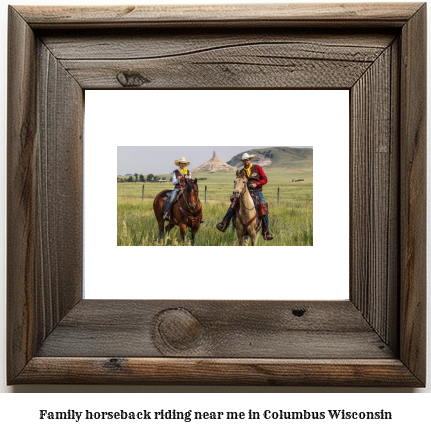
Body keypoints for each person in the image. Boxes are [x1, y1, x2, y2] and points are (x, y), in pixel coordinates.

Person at [216, 153, 274, 240]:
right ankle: (224, 223)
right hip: (244, 193)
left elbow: (265, 179)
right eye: (244, 160)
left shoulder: (257, 168)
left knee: (263, 207)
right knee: (233, 205)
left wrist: (257, 184)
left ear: (250, 160)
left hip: (257, 191)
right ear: (242, 161)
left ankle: (266, 231)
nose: (246, 161)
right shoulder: (241, 171)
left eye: (247, 159)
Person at [163, 156, 192, 220]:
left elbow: (190, 181)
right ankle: (166, 213)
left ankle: (197, 215)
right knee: (171, 198)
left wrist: (191, 180)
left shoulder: (188, 172)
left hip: (186, 189)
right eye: (181, 163)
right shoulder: (176, 172)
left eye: (184, 163)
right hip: (178, 188)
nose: (183, 164)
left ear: (185, 164)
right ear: (179, 164)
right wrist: (177, 180)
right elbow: (173, 182)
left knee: (194, 198)